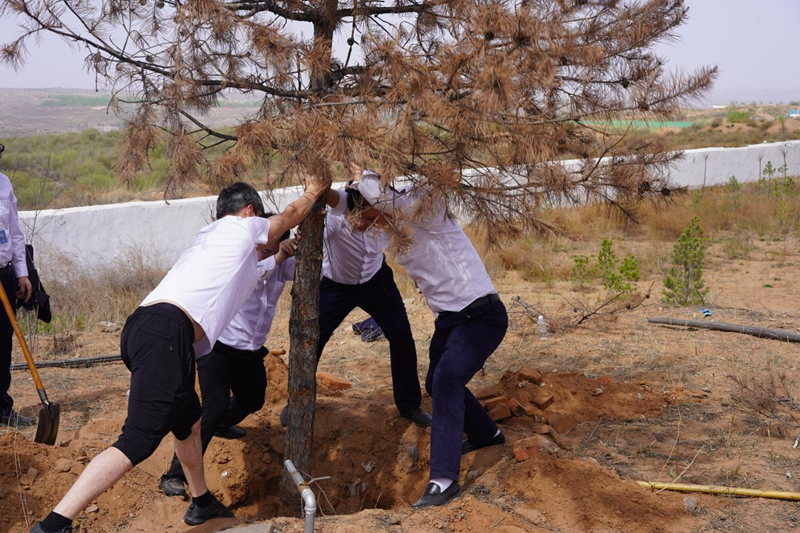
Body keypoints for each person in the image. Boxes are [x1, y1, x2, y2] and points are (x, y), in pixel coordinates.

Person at [30, 179, 326, 533]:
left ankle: (201, 502)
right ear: (249, 213)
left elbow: (261, 267)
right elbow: (290, 215)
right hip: (167, 334)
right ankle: (53, 524)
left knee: (189, 422)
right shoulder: (241, 227)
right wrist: (313, 191)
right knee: (138, 439)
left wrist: (279, 254)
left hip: (158, 332)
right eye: (262, 222)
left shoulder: (214, 242)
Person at [350, 168, 508, 509]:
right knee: (436, 385)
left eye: (362, 215)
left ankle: (444, 480)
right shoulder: (391, 232)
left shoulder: (428, 211)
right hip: (450, 321)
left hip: (480, 315)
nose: (359, 225)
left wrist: (360, 169)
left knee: (448, 379)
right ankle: (486, 435)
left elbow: (384, 196)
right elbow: (352, 207)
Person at [159, 216, 298, 499]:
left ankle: (222, 423)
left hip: (250, 350)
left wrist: (302, 249)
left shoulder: (281, 262)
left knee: (254, 399)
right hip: (219, 347)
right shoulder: (243, 259)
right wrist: (279, 256)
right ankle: (173, 475)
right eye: (270, 237)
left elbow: (310, 272)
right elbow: (257, 272)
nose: (273, 242)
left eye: (281, 236)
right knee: (213, 407)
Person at [279, 186, 431, 428]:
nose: (362, 223)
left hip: (376, 280)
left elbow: (406, 247)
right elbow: (311, 237)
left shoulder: (384, 217)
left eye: (370, 218)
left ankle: (409, 405)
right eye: (358, 217)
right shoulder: (333, 221)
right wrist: (298, 239)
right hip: (335, 285)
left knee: (402, 336)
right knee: (312, 340)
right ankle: (296, 402)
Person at [0, 142, 34, 428]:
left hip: (4, 274)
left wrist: (22, 272)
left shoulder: (4, 183)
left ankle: (2, 408)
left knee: (2, 343)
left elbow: (14, 231)